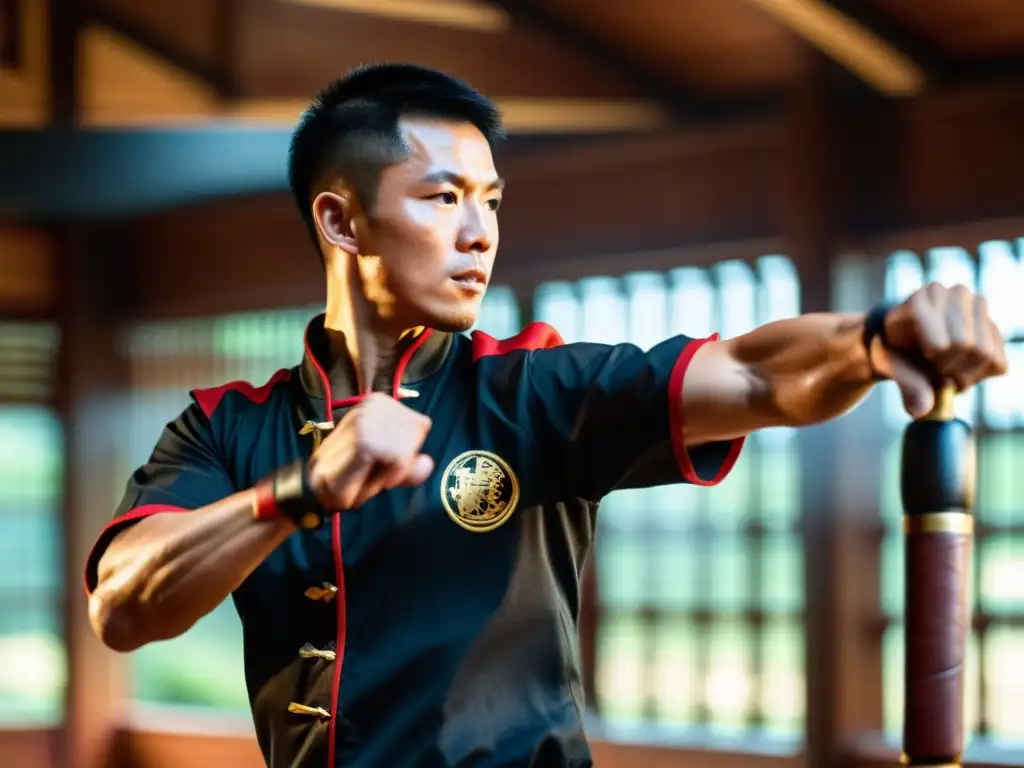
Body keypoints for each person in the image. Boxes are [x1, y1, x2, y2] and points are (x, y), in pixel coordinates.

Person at [84, 63, 1008, 768]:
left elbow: (760, 376)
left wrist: (874, 337)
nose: (480, 232)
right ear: (342, 221)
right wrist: (296, 493)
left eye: (490, 202)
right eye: (443, 198)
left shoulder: (532, 391)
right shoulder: (224, 427)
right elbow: (123, 606)